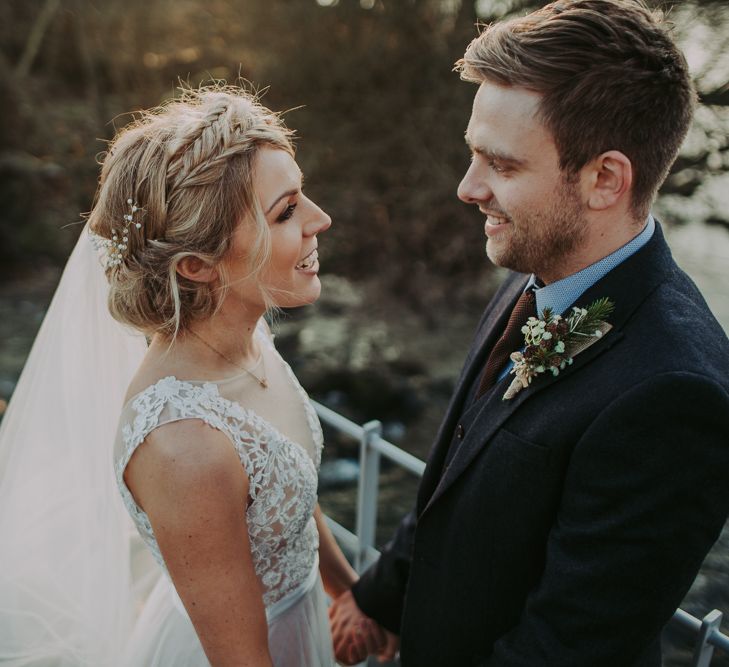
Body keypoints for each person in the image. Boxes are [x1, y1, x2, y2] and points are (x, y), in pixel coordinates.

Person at [329, 1, 729, 665]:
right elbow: (461, 461)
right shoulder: (533, 269)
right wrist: (379, 596)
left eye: (502, 165)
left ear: (604, 179)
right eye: (472, 155)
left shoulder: (673, 393)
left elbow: (563, 649)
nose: (466, 187)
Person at [0, 86, 367, 666]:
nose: (321, 219)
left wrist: (348, 589)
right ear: (199, 266)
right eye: (287, 210)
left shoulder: (250, 338)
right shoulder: (181, 442)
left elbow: (287, 483)